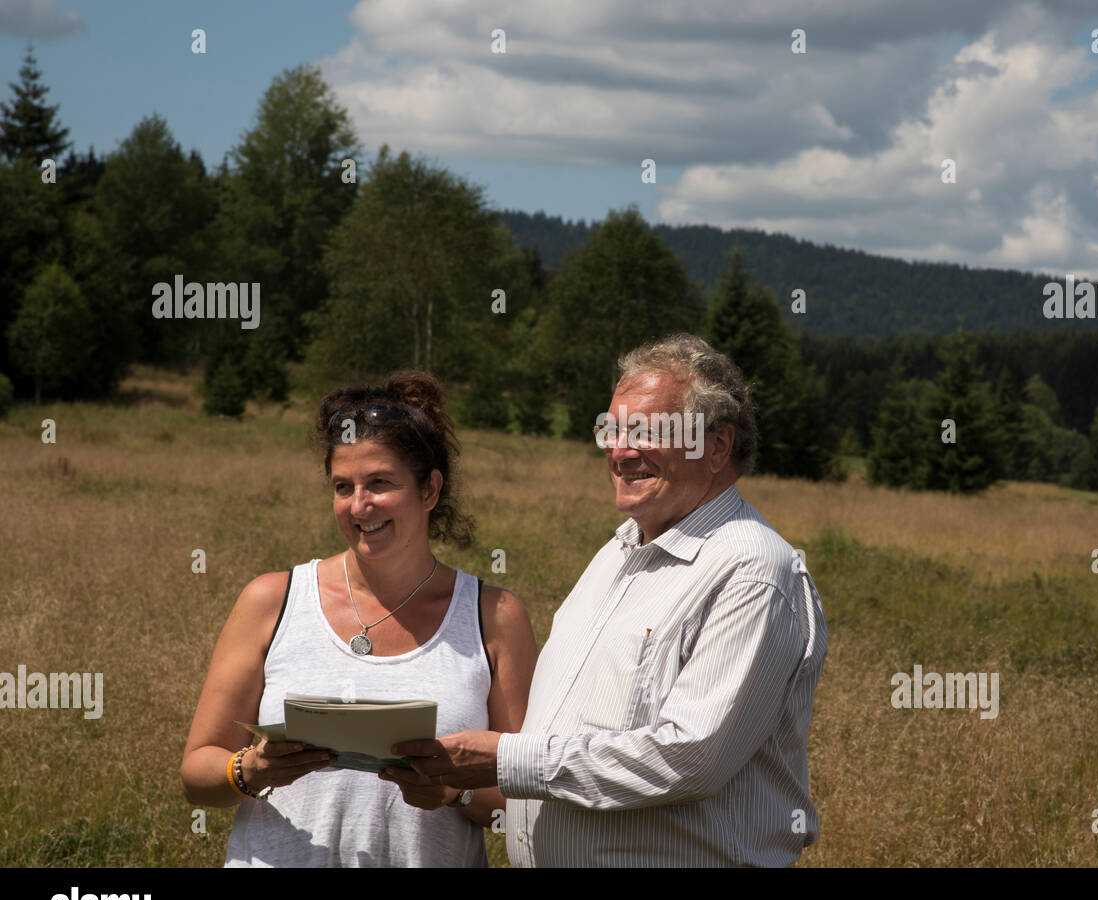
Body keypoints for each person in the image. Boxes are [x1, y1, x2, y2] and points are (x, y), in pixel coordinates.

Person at [402, 334, 828, 866]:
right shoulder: (617, 551)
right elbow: (566, 739)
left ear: (717, 447)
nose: (620, 451)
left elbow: (689, 759)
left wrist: (503, 759)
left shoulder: (752, 572)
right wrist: (460, 786)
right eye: (613, 429)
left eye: (646, 431)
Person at [180, 370, 537, 867]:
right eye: (342, 486)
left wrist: (452, 790)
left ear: (429, 490)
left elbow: (525, 798)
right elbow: (197, 774)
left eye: (380, 483)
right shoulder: (271, 600)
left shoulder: (494, 617)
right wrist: (251, 768)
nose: (359, 505)